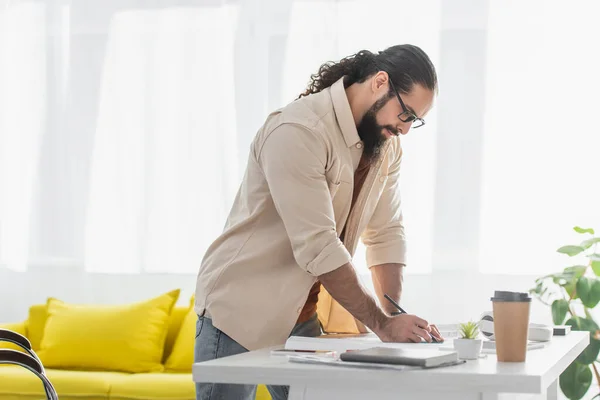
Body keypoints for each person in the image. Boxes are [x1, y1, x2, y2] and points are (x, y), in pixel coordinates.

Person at [194, 44, 443, 400]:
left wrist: (394, 313)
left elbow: (387, 232)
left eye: (414, 121)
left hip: (304, 315)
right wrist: (383, 326)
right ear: (379, 82)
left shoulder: (385, 145)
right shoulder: (299, 130)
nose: (405, 130)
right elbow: (318, 246)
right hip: (241, 309)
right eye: (405, 114)